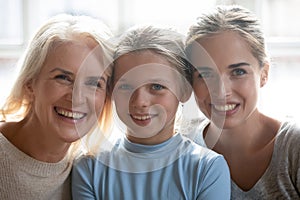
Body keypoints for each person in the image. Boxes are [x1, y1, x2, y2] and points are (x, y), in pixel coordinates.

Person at [72, 25, 231, 199]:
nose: (140, 101)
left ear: (184, 91)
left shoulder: (207, 168)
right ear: (111, 92)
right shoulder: (89, 168)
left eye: (157, 87)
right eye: (125, 86)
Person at [185, 5, 300, 199]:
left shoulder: (294, 148)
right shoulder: (182, 152)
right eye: (205, 74)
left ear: (264, 74)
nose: (221, 91)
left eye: (238, 72)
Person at [0, 14, 114, 199]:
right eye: (63, 77)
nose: (77, 97)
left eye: (94, 83)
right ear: (30, 83)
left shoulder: (91, 172)